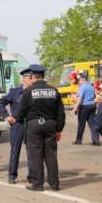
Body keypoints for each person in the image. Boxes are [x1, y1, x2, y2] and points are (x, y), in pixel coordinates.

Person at [17, 64, 65, 192]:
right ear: (44, 76)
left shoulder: (28, 91)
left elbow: (20, 112)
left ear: (33, 76)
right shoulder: (54, 91)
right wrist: (58, 129)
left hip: (34, 125)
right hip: (50, 124)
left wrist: (22, 121)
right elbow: (60, 113)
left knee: (36, 155)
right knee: (51, 155)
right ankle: (54, 183)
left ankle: (38, 184)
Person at [0, 69, 34, 184]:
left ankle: (32, 176)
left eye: (33, 77)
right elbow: (0, 103)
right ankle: (12, 175)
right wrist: (7, 116)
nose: (32, 80)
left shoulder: (34, 91)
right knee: (15, 151)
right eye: (30, 77)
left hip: (30, 124)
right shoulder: (14, 91)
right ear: (24, 78)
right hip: (17, 124)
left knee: (31, 151)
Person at [71, 75, 101, 146]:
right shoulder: (91, 87)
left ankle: (78, 140)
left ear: (81, 80)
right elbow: (94, 96)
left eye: (79, 80)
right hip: (92, 106)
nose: (78, 82)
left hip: (84, 106)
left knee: (81, 124)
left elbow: (80, 98)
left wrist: (75, 108)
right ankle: (96, 141)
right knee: (92, 124)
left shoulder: (82, 87)